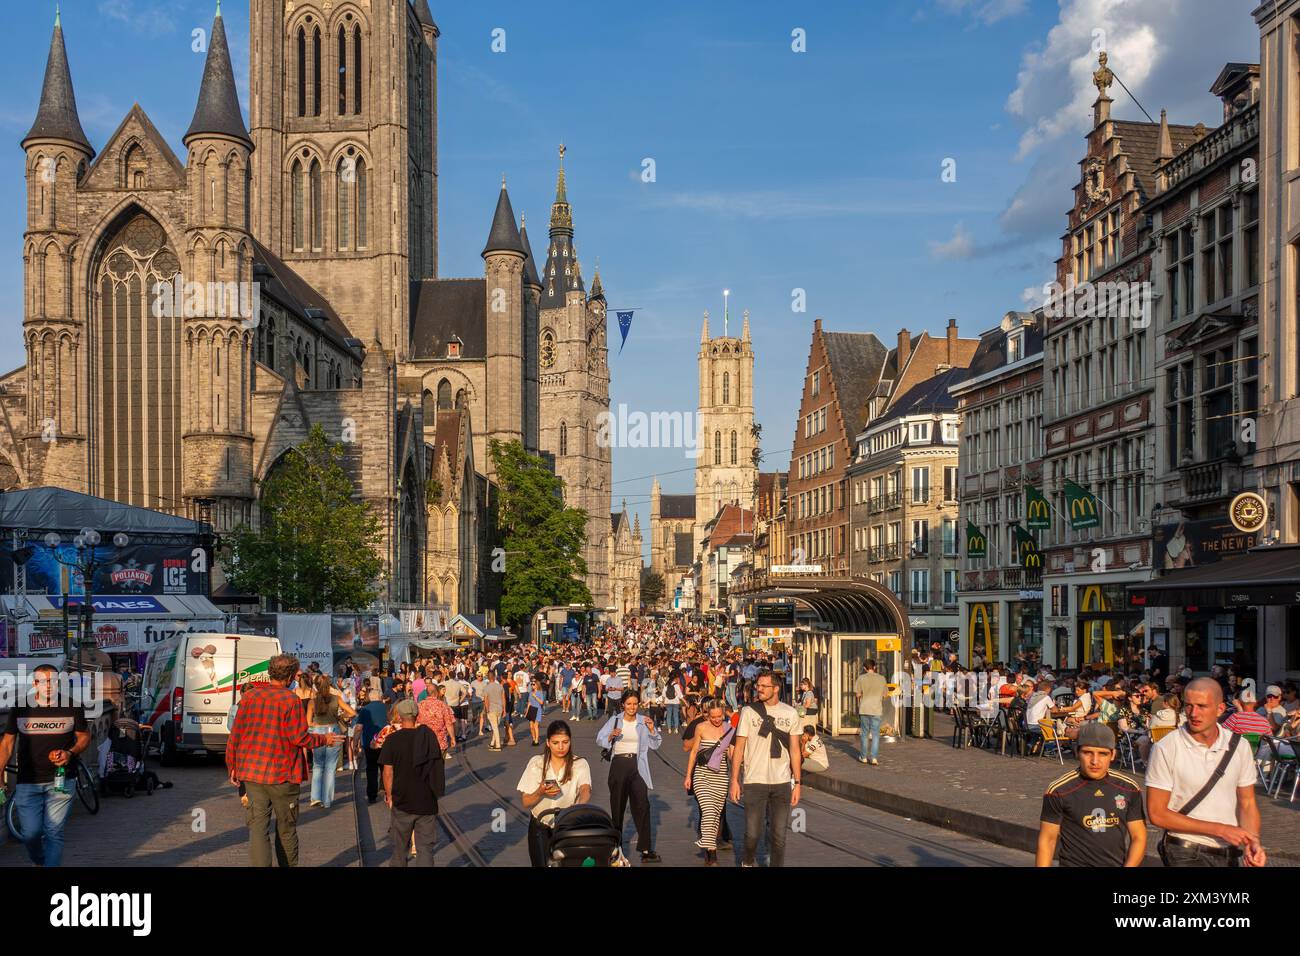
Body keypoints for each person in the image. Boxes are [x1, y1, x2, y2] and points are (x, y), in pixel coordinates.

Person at [226, 654, 343, 867]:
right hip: (283, 774)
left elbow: (236, 735)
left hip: (252, 773)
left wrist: (232, 766)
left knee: (258, 829)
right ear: (289, 676)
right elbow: (299, 737)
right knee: (286, 828)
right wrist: (324, 739)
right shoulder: (290, 700)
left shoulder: (250, 697)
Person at [1145, 677, 1264, 867]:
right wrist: (1220, 829)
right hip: (1184, 848)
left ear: (1220, 709)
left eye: (1202, 706)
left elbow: (1247, 802)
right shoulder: (1166, 747)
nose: (1193, 713)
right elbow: (1157, 813)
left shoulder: (1238, 746)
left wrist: (1253, 840)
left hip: (1228, 852)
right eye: (1189, 706)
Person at [0, 663, 91, 867]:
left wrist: (70, 753)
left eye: (52, 681)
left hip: (62, 780)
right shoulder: (21, 707)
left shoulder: (72, 706)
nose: (48, 686)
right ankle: (40, 861)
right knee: (30, 834)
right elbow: (6, 744)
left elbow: (84, 737)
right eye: (43, 682)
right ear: (35, 684)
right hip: (28, 781)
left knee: (54, 832)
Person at [1035, 722, 1146, 867]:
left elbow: (1139, 836)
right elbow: (1047, 840)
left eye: (1103, 754)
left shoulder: (1129, 788)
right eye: (1088, 753)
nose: (1095, 761)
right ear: (1077, 752)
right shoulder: (1059, 790)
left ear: (1113, 755)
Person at [730, 671, 802, 867]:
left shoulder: (790, 713)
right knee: (752, 833)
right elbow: (739, 748)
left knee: (779, 836)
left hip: (781, 782)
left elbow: (795, 751)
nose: (759, 689)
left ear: (776, 688)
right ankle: (747, 861)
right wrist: (734, 780)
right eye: (758, 685)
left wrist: (797, 783)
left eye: (764, 686)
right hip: (754, 781)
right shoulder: (749, 712)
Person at [595, 690, 663, 863]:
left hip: (637, 766)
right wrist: (610, 736)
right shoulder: (615, 720)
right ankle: (616, 847)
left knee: (643, 806)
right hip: (618, 765)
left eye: (635, 703)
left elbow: (655, 744)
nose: (632, 707)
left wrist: (652, 730)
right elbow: (599, 739)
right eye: (629, 703)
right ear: (623, 705)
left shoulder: (643, 721)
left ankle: (646, 849)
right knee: (617, 807)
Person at [517, 720, 593, 867]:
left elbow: (585, 789)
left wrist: (578, 807)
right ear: (547, 743)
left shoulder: (580, 764)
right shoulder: (537, 763)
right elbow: (526, 801)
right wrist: (540, 791)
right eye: (555, 742)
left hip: (567, 825)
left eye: (565, 742)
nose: (561, 747)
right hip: (540, 824)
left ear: (570, 741)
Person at [378, 699, 441, 867]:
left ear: (399, 716)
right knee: (425, 849)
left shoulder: (392, 740)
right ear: (416, 715)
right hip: (426, 800)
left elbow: (387, 771)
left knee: (400, 849)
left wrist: (389, 795)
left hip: (402, 800)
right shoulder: (428, 737)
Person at [683, 698, 736, 866]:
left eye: (719, 716)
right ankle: (712, 854)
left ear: (723, 713)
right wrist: (688, 776)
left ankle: (707, 851)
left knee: (714, 817)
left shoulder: (729, 730)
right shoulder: (701, 727)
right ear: (708, 715)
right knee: (707, 811)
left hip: (721, 777)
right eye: (713, 716)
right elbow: (693, 752)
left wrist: (737, 775)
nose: (716, 720)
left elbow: (732, 756)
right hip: (702, 776)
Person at [307, 674, 355, 809]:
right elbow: (352, 712)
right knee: (330, 767)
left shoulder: (312, 702)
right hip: (334, 731)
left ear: (315, 686)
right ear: (329, 685)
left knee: (317, 765)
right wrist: (342, 715)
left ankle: (315, 797)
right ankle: (327, 800)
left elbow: (308, 722)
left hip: (317, 732)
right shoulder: (336, 699)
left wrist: (315, 725)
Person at [356, 686, 390, 803]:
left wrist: (355, 743)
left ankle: (372, 794)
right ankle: (386, 790)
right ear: (380, 697)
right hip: (385, 742)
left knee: (371, 769)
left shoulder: (364, 709)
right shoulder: (386, 707)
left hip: (369, 743)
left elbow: (359, 728)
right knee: (385, 767)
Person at [853, 659, 888, 765]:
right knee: (876, 734)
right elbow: (885, 695)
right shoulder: (882, 679)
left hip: (864, 709)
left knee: (864, 734)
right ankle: (874, 758)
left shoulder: (861, 678)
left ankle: (863, 757)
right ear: (875, 667)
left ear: (864, 668)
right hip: (876, 709)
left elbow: (858, 695)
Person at [483, 671, 506, 751]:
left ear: (488, 678)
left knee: (495, 727)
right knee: (495, 726)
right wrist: (504, 709)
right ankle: (492, 743)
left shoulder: (486, 687)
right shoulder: (500, 686)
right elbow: (503, 698)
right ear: (495, 677)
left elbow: (486, 700)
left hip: (491, 709)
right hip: (499, 708)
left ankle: (498, 745)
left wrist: (487, 710)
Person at [526, 679, 546, 745]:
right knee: (531, 726)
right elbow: (529, 702)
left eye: (533, 684)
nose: (532, 686)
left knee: (535, 726)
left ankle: (537, 740)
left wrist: (535, 697)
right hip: (531, 709)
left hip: (537, 710)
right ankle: (534, 738)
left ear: (537, 685)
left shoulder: (540, 693)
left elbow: (541, 702)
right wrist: (527, 711)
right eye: (531, 684)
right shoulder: (531, 693)